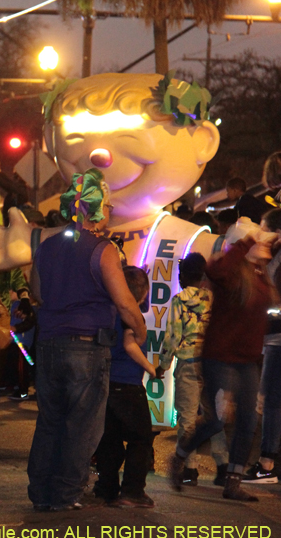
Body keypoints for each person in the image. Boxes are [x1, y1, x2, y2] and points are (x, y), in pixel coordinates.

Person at [27, 168, 146, 512]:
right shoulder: (103, 250)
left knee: (50, 421)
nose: (110, 212)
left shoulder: (47, 246)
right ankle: (64, 495)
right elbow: (125, 303)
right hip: (87, 346)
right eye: (108, 206)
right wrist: (139, 330)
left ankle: (41, 492)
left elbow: (37, 293)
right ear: (95, 209)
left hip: (49, 343)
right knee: (82, 426)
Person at [168, 220, 278, 501]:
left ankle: (232, 481)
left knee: (248, 420)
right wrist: (245, 242)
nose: (263, 243)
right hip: (220, 357)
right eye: (256, 241)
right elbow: (215, 269)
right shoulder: (230, 273)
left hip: (247, 361)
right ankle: (180, 456)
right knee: (217, 420)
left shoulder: (260, 274)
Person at [157, 253, 228, 487]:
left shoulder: (179, 300)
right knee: (213, 417)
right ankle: (223, 466)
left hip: (188, 363)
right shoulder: (213, 299)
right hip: (212, 363)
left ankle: (190, 469)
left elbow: (173, 336)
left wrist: (163, 364)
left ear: (183, 275)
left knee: (187, 418)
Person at [94, 267, 157, 508]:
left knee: (109, 440)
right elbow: (130, 345)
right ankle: (132, 491)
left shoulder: (107, 311)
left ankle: (106, 488)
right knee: (140, 439)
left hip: (105, 382)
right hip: (127, 384)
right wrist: (150, 368)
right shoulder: (130, 314)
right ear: (144, 293)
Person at [243, 208, 281, 484]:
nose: (260, 234)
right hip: (273, 338)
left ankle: (267, 464)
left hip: (278, 340)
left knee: (271, 401)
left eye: (264, 229)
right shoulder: (273, 256)